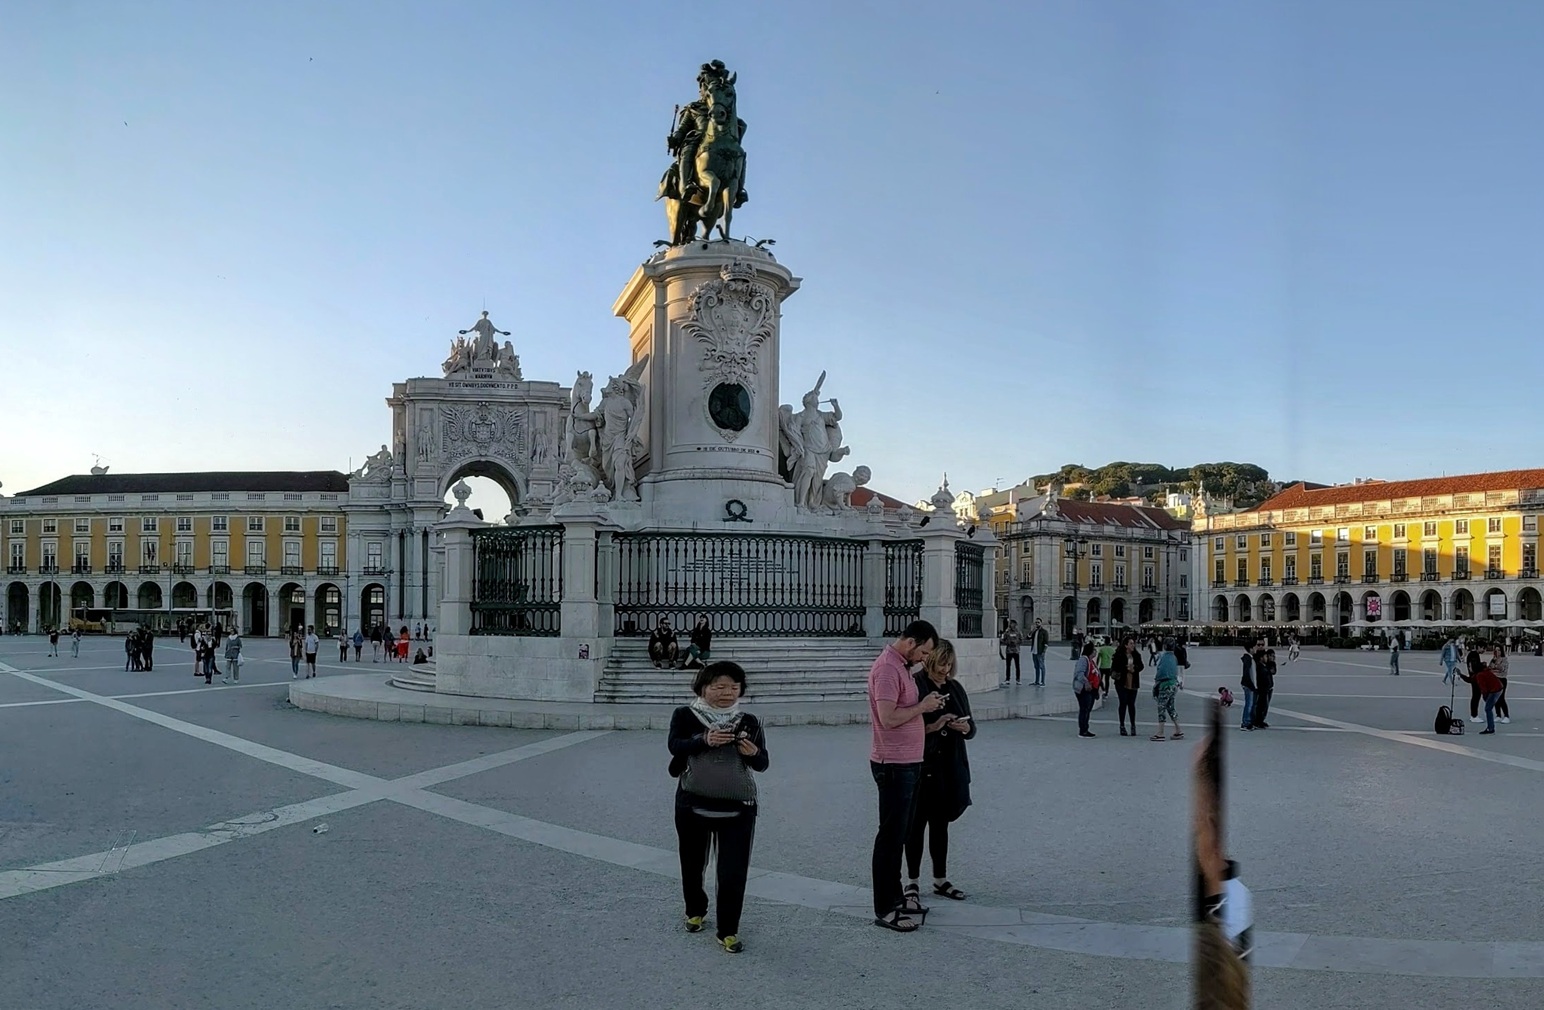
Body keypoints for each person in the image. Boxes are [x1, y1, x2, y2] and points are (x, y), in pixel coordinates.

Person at [667, 661, 768, 955]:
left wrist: (754, 752)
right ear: (703, 687)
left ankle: (728, 930)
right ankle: (694, 910)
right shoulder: (685, 714)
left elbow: (762, 764)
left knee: (733, 871)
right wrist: (704, 739)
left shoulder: (748, 719)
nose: (727, 693)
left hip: (738, 806)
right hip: (692, 802)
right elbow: (675, 745)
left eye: (734, 687)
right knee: (692, 862)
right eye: (719, 686)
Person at [868, 619, 944, 933]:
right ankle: (885, 908)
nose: (925, 658)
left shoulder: (901, 667)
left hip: (908, 762)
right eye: (924, 652)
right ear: (910, 642)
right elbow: (887, 718)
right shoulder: (888, 668)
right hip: (894, 764)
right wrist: (923, 706)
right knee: (890, 837)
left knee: (899, 834)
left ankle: (897, 898)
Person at [905, 640, 975, 906]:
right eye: (940, 665)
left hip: (949, 767)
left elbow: (973, 728)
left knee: (940, 824)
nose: (945, 670)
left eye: (949, 665)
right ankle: (911, 880)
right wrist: (936, 725)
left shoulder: (955, 688)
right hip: (922, 766)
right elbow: (907, 728)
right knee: (915, 826)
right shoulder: (915, 686)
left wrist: (965, 728)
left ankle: (940, 878)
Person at [1110, 634, 1144, 737]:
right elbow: (1114, 668)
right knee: (1123, 703)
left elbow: (1141, 666)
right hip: (1122, 682)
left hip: (1133, 682)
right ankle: (1122, 726)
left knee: (1131, 704)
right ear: (1126, 645)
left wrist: (1135, 668)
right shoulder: (1118, 655)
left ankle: (1133, 725)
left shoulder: (1136, 655)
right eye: (1131, 643)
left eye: (1134, 643)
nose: (1133, 645)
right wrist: (1126, 668)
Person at [1458, 658, 1504, 734]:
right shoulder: (1482, 672)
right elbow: (1470, 680)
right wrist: (1461, 674)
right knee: (1489, 707)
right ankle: (1491, 727)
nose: (1469, 669)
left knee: (1488, 709)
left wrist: (1485, 698)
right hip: (1499, 688)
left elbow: (1483, 689)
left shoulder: (1480, 675)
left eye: (1470, 668)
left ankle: (1490, 728)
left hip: (1495, 690)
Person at [1151, 639, 1185, 741]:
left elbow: (1161, 671)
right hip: (1173, 684)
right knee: (1171, 707)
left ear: (1165, 646)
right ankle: (1178, 729)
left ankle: (1160, 732)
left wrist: (1156, 682)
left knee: (1161, 707)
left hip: (1165, 685)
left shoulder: (1163, 656)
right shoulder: (1174, 657)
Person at [1073, 641, 1099, 738]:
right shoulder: (1083, 660)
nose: (1096, 652)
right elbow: (1079, 673)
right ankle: (1082, 730)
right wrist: (1086, 682)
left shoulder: (1091, 661)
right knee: (1084, 709)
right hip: (1084, 689)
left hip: (1091, 689)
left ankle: (1085, 728)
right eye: (1094, 650)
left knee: (1087, 709)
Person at [1253, 647, 1276, 729]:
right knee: (1261, 706)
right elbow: (1270, 672)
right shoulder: (1261, 667)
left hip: (1268, 688)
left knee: (1264, 706)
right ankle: (1258, 721)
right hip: (1263, 689)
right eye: (1266, 656)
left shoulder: (1266, 665)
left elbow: (1273, 672)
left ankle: (1261, 720)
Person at [1238, 642, 1258, 731]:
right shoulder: (1248, 659)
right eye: (1255, 647)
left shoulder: (1250, 658)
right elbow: (1247, 673)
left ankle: (1248, 722)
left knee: (1250, 704)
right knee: (1249, 704)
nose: (1256, 649)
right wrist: (1251, 685)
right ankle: (1245, 723)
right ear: (1251, 649)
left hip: (1250, 684)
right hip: (1249, 685)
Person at [1466, 642, 1486, 723]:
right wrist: (1483, 665)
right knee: (1476, 696)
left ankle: (1474, 715)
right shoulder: (1474, 655)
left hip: (1474, 677)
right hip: (1475, 678)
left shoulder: (1472, 654)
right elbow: (1474, 667)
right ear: (1479, 647)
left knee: (1476, 696)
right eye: (1483, 648)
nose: (1484, 650)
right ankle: (1474, 715)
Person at [999, 619, 1022, 685]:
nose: (1011, 625)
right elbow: (1002, 640)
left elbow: (1021, 640)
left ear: (1015, 624)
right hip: (1009, 651)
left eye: (1012, 624)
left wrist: (1016, 642)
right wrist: (1008, 642)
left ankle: (1018, 679)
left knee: (1017, 665)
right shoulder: (1007, 632)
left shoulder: (1018, 632)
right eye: (1011, 624)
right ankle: (1007, 679)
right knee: (1008, 665)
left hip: (1016, 650)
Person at [1492, 643, 1510, 724]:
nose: (1497, 652)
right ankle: (1498, 715)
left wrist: (1496, 667)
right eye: (1496, 650)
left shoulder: (1504, 659)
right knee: (1495, 698)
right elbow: (1490, 668)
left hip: (1502, 679)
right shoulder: (1494, 659)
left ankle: (1506, 716)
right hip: (1494, 679)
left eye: (1499, 650)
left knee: (1501, 698)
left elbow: (1502, 669)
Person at [1029, 617, 1049, 686]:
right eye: (1036, 622)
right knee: (1036, 666)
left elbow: (1046, 643)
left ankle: (1043, 682)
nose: (1037, 624)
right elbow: (1028, 637)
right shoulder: (1034, 631)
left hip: (1040, 652)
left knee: (1042, 666)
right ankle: (1036, 681)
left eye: (1038, 622)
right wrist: (1032, 631)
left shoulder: (1044, 632)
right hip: (1034, 651)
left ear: (1041, 623)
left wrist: (1044, 651)